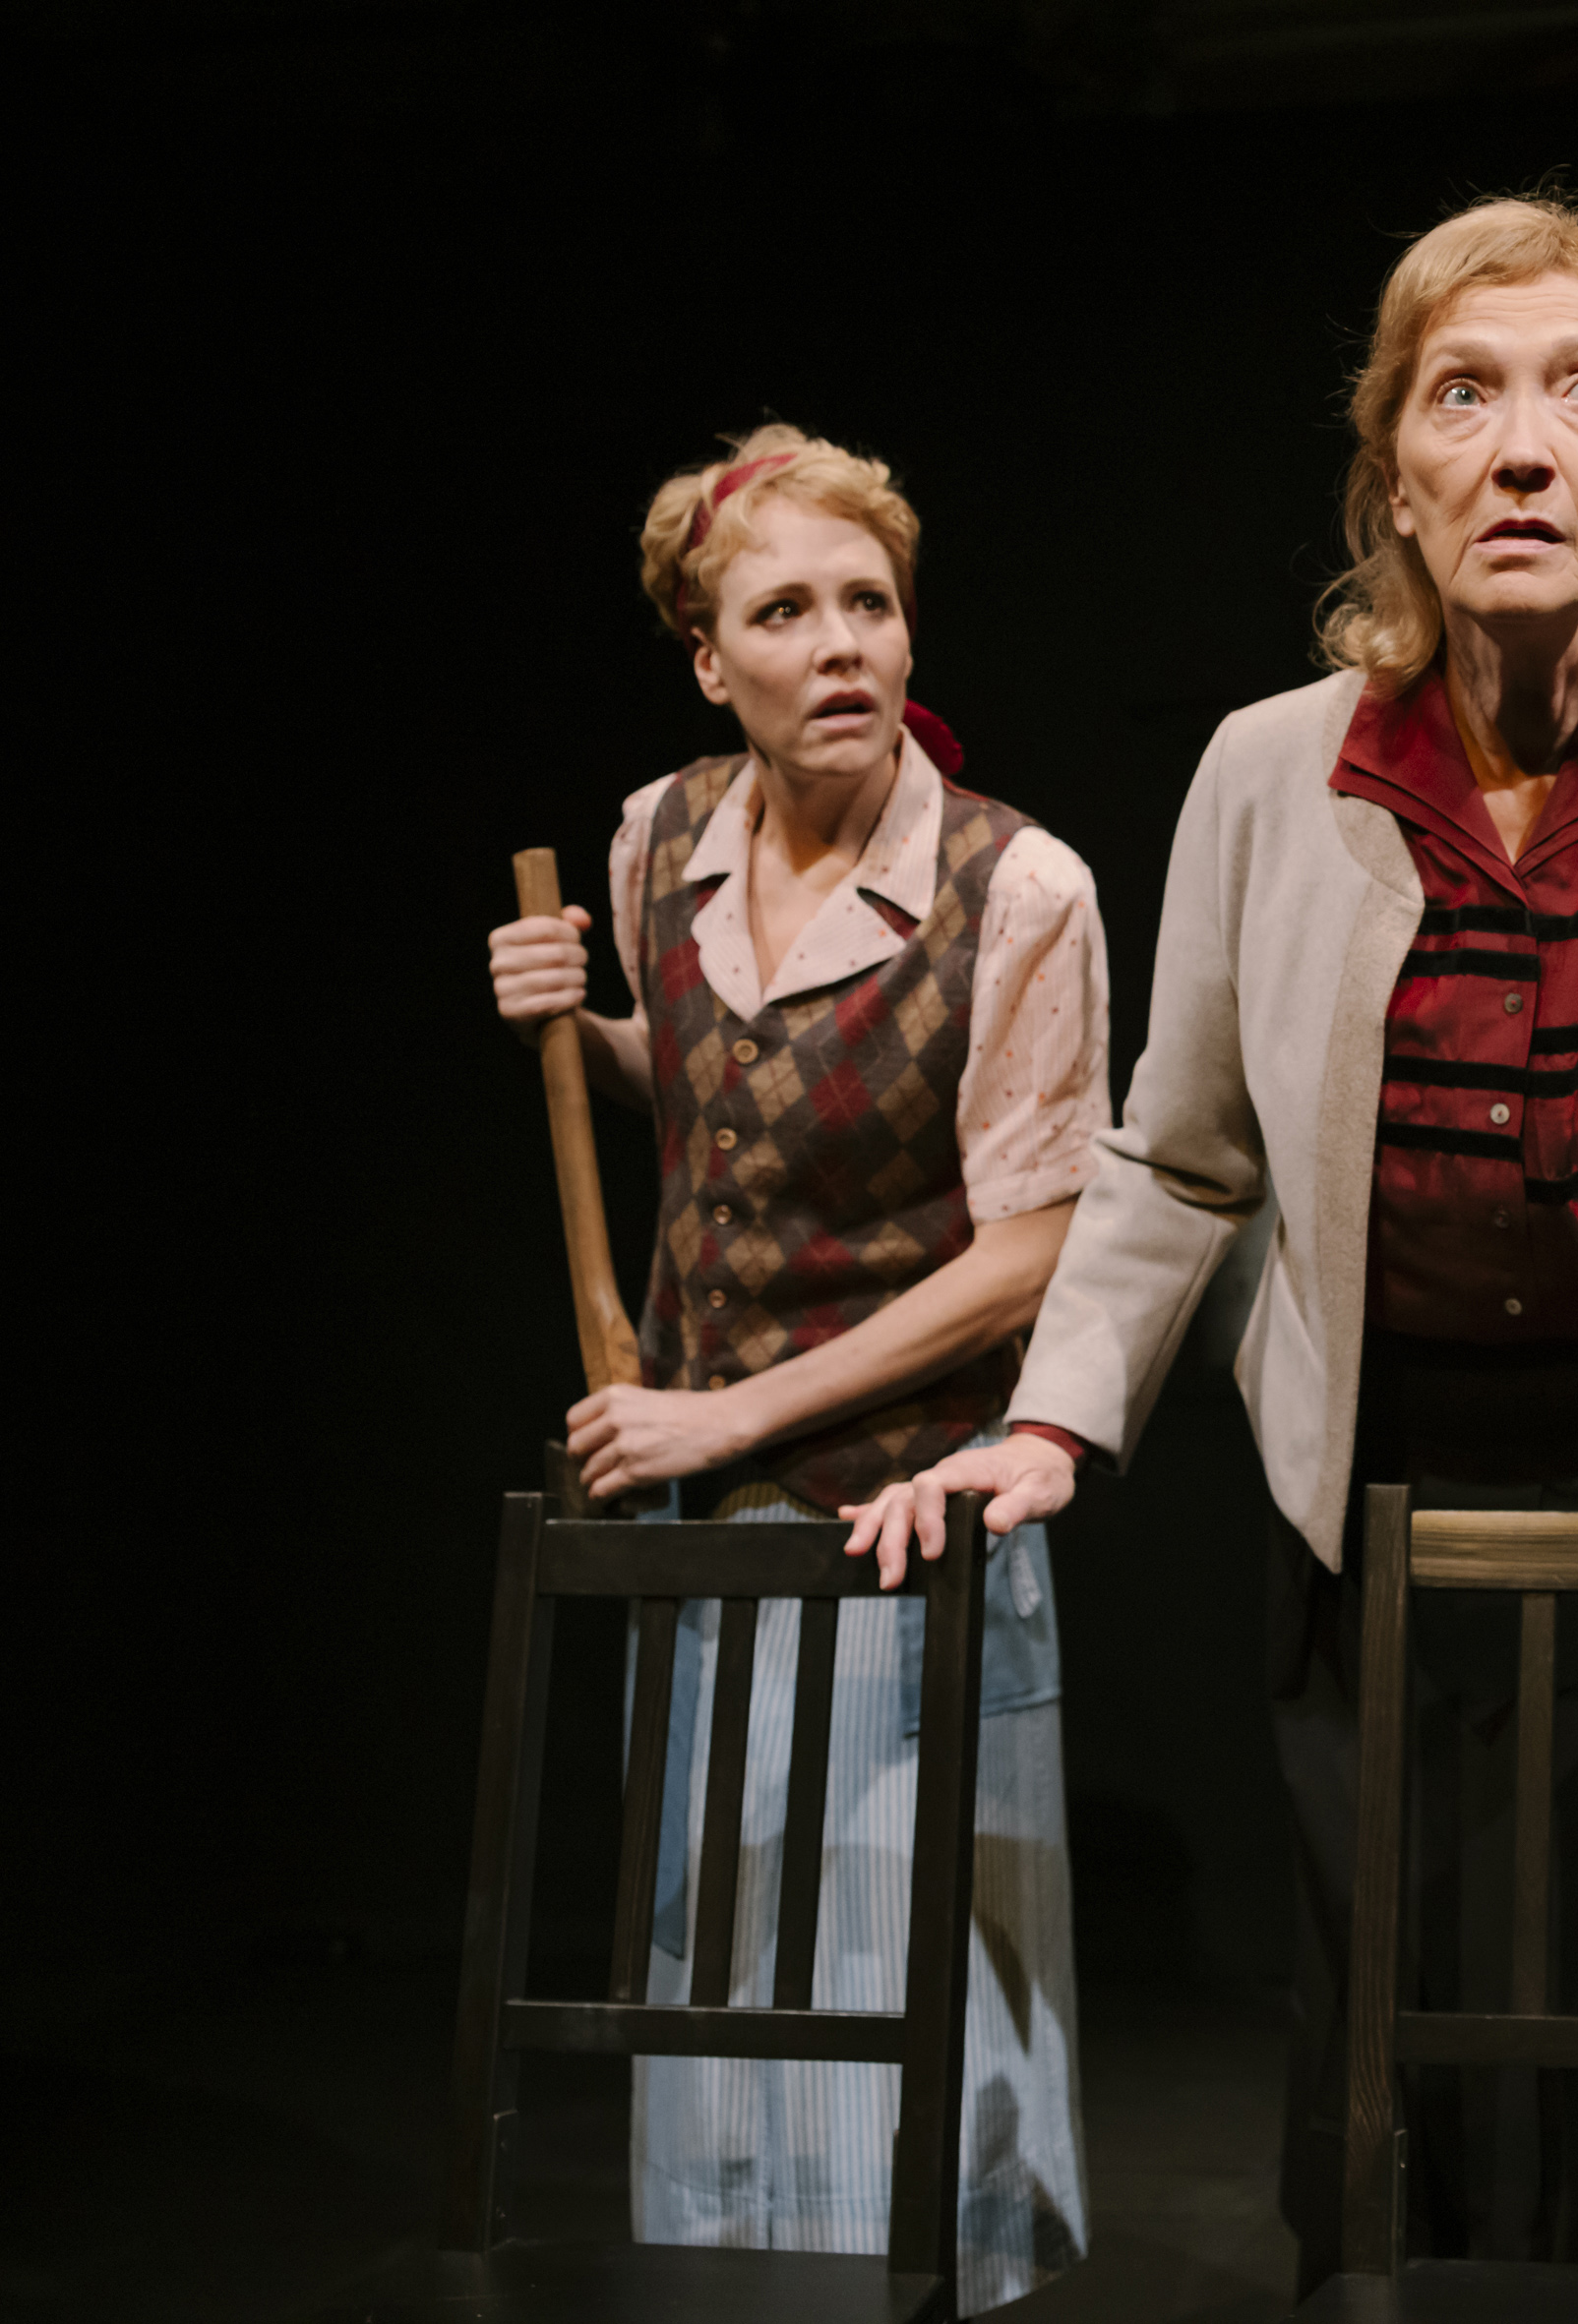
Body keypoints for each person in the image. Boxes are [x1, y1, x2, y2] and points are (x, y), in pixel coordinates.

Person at [843, 193, 1578, 2308]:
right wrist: (1057, 1419)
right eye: (1461, 398)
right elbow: (1178, 1159)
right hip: (1381, 1519)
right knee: (1419, 2054)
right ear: (1394, 475)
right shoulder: (1266, 774)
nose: (1521, 450)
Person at [483, 424, 1103, 2304]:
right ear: (707, 658)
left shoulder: (1020, 889)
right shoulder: (659, 839)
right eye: (784, 613)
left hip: (903, 1524)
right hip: (703, 1532)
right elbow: (708, 1087)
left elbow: (1034, 1250)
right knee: (720, 1980)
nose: (840, 645)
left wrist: (732, 1413)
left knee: (891, 2009)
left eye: (870, 604)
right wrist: (579, 1029)